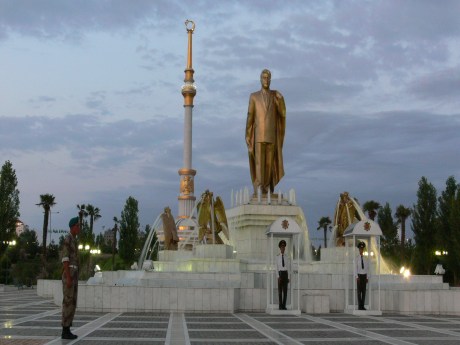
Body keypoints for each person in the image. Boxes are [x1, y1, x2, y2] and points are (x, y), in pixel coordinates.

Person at [245, 69, 286, 195]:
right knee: (259, 163)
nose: (266, 80)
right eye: (264, 77)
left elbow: (282, 114)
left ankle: (267, 188)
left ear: (270, 79)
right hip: (258, 135)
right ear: (260, 79)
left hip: (271, 135)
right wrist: (247, 134)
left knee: (269, 164)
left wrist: (281, 100)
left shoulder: (275, 96)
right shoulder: (254, 96)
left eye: (268, 78)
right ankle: (258, 187)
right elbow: (250, 116)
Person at [61, 217, 80, 339]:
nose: (79, 228)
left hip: (74, 274)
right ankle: (65, 330)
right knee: (68, 302)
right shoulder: (68, 239)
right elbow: (65, 259)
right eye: (77, 226)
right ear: (73, 226)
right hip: (69, 273)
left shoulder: (74, 240)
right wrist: (68, 277)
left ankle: (68, 329)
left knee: (72, 302)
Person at [276, 240, 289, 310]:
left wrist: (288, 277)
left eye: (284, 247)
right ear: (280, 247)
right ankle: (280, 306)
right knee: (280, 291)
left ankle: (284, 305)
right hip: (280, 274)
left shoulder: (286, 257)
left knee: (285, 291)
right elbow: (276, 268)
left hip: (285, 274)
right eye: (282, 247)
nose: (283, 248)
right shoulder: (277, 257)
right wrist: (278, 277)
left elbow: (288, 267)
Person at [356, 241, 369, 310]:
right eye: (360, 249)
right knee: (359, 292)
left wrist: (367, 277)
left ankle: (362, 306)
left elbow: (367, 268)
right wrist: (357, 277)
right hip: (359, 276)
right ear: (358, 250)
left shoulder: (365, 259)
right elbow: (355, 268)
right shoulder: (357, 258)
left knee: (364, 292)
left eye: (362, 249)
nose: (361, 250)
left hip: (364, 276)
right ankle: (359, 306)